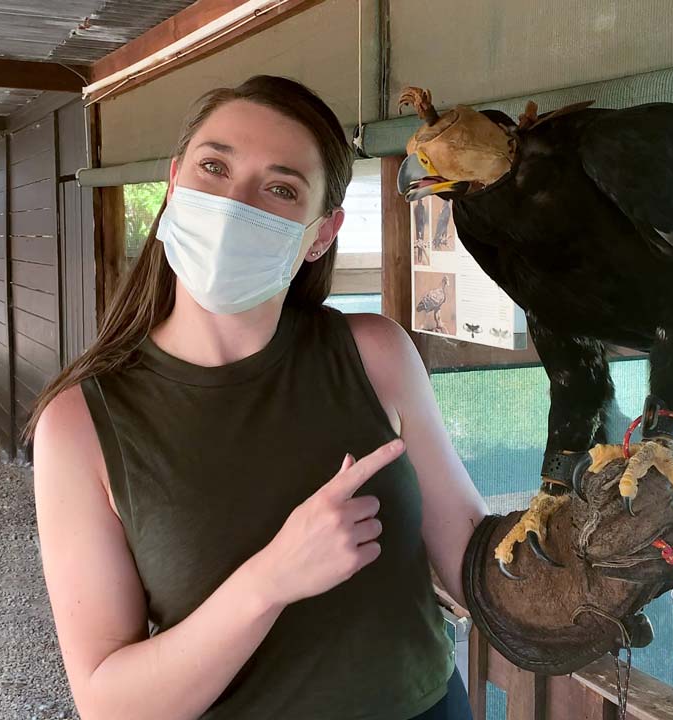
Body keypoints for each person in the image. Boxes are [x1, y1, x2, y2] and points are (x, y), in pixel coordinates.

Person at [28, 75, 489, 720]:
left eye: (280, 188)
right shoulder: (80, 424)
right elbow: (110, 704)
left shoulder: (373, 354)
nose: (234, 204)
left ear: (322, 232)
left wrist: (574, 566)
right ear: (173, 183)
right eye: (214, 167)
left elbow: (469, 551)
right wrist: (270, 580)